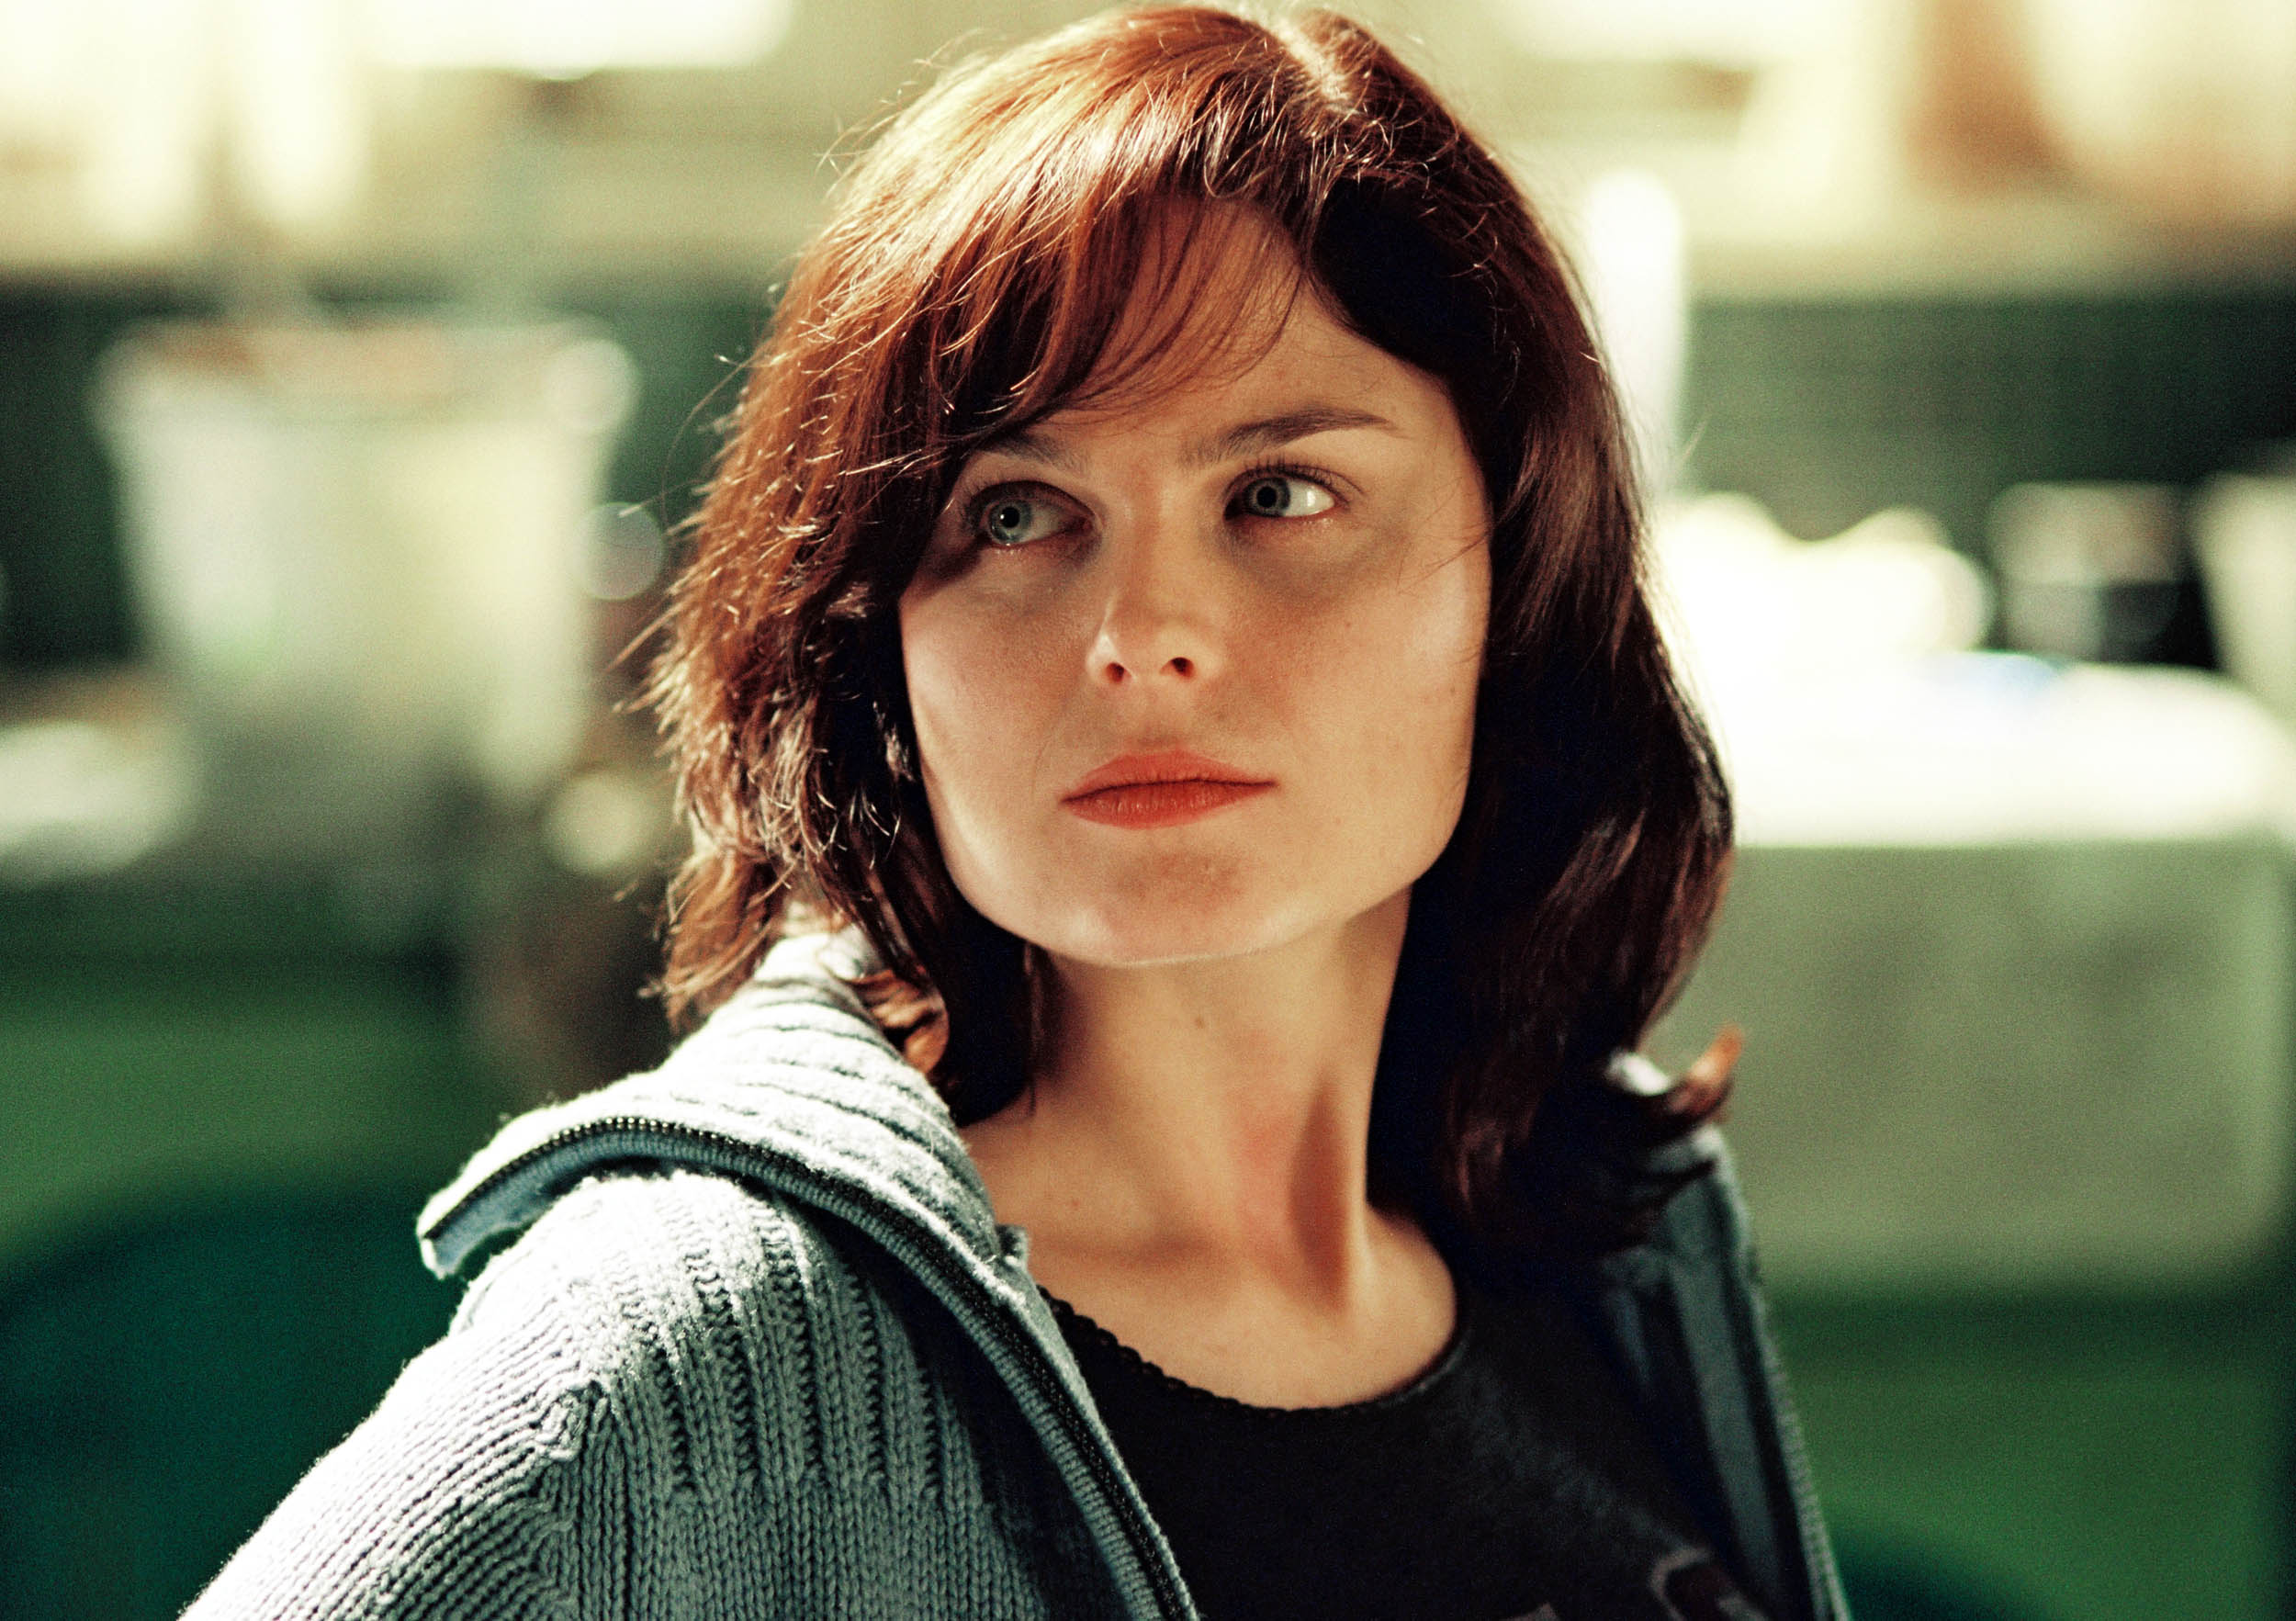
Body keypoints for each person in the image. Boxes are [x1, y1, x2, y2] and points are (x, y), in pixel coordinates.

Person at [186, 7, 1844, 1618]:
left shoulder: (1605, 1218)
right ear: (880, 641)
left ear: (1523, 575)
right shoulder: (688, 1364)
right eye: (1018, 512)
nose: (1142, 632)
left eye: (1278, 493)